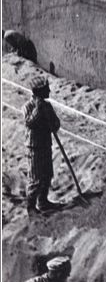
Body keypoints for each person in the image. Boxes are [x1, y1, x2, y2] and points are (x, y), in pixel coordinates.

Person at [24, 76, 61, 214]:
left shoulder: (48, 106)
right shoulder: (28, 107)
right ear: (38, 92)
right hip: (34, 148)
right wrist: (39, 109)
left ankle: (43, 201)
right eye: (46, 89)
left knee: (46, 175)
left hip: (46, 145)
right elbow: (30, 123)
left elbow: (56, 124)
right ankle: (31, 207)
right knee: (36, 178)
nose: (49, 91)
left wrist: (52, 123)